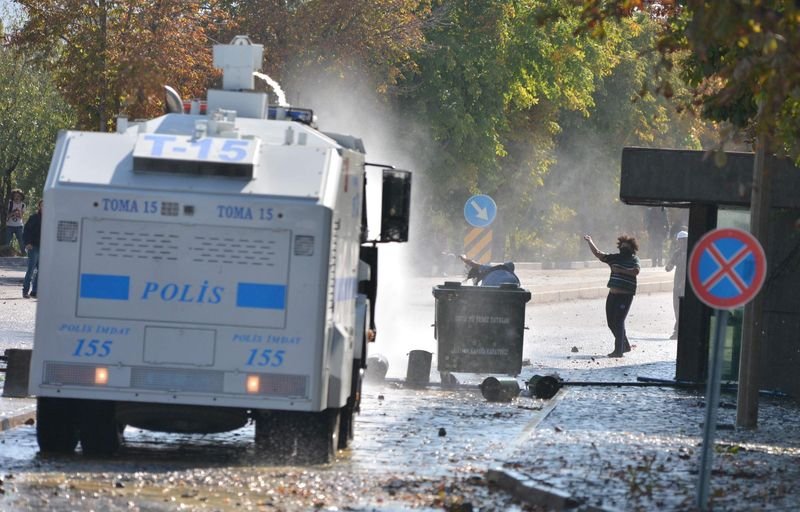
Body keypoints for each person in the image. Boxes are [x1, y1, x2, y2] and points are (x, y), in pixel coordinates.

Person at [583, 234, 641, 357]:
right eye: (622, 247)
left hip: (625, 296)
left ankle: (618, 351)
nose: (623, 249)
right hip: (612, 295)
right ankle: (625, 345)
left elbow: (636, 271)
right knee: (611, 323)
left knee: (619, 321)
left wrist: (620, 271)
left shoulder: (634, 259)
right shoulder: (615, 258)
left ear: (631, 248)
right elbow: (599, 254)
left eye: (626, 247)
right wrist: (590, 241)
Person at [665, 229, 688, 340]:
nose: (682, 243)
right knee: (677, 307)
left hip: (686, 285)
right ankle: (679, 330)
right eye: (680, 241)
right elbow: (669, 267)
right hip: (677, 285)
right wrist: (669, 265)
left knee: (684, 308)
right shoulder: (677, 253)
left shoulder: (691, 252)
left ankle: (678, 331)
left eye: (684, 240)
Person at [23, 199, 42, 299]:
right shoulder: (34, 218)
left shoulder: (51, 218)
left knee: (41, 270)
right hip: (33, 246)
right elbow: (26, 231)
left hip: (44, 247)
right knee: (31, 269)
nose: (44, 207)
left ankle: (34, 291)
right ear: (39, 207)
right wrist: (27, 243)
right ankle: (25, 291)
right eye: (42, 205)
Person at [6, 189, 25, 255]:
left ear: (21, 197)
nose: (17, 197)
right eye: (15, 196)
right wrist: (13, 212)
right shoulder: (9, 203)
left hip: (19, 226)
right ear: (13, 196)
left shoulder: (23, 205)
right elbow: (7, 216)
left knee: (22, 241)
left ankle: (24, 254)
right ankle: (5, 254)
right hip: (9, 225)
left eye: (19, 196)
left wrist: (19, 213)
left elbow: (21, 216)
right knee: (7, 241)